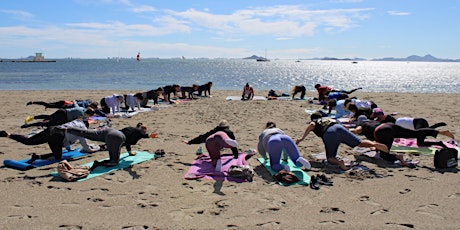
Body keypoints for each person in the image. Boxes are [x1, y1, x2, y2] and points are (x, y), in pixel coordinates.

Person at [349, 115, 455, 167]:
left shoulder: (361, 125)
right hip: (389, 126)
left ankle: (399, 158)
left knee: (384, 155)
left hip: (382, 133)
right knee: (414, 133)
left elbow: (357, 131)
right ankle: (440, 132)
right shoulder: (371, 121)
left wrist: (350, 131)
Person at [295, 112, 389, 170]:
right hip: (339, 127)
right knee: (359, 143)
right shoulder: (328, 118)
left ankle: (341, 164)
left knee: (330, 158)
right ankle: (374, 144)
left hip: (329, 133)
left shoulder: (315, 121)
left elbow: (311, 125)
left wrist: (302, 138)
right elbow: (343, 125)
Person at [61, 122, 158, 171]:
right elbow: (142, 134)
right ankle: (97, 164)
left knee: (87, 133)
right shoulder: (139, 132)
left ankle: (66, 129)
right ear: (142, 129)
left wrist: (129, 153)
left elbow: (127, 143)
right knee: (114, 162)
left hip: (110, 131)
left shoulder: (130, 130)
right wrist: (149, 136)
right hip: (116, 138)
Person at [0, 119, 97, 163]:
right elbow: (83, 141)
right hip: (57, 136)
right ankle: (37, 157)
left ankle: (8, 135)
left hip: (51, 130)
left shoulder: (75, 121)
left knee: (29, 141)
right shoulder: (82, 128)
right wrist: (89, 150)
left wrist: (69, 148)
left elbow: (68, 137)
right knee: (57, 156)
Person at [21, 106, 95, 129]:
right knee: (48, 124)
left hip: (62, 111)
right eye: (89, 116)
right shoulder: (81, 114)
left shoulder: (82, 109)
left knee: (49, 117)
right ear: (88, 114)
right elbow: (77, 121)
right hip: (63, 116)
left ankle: (33, 117)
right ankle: (28, 125)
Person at [371, 108, 447, 130]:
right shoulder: (399, 120)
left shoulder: (397, 125)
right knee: (428, 130)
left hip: (418, 123)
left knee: (425, 131)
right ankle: (439, 125)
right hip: (421, 121)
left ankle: (438, 126)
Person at [26, 99, 93, 109]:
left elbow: (76, 100)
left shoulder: (85, 101)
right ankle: (33, 102)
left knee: (47, 104)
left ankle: (32, 102)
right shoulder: (84, 106)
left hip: (64, 102)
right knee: (47, 104)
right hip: (63, 105)